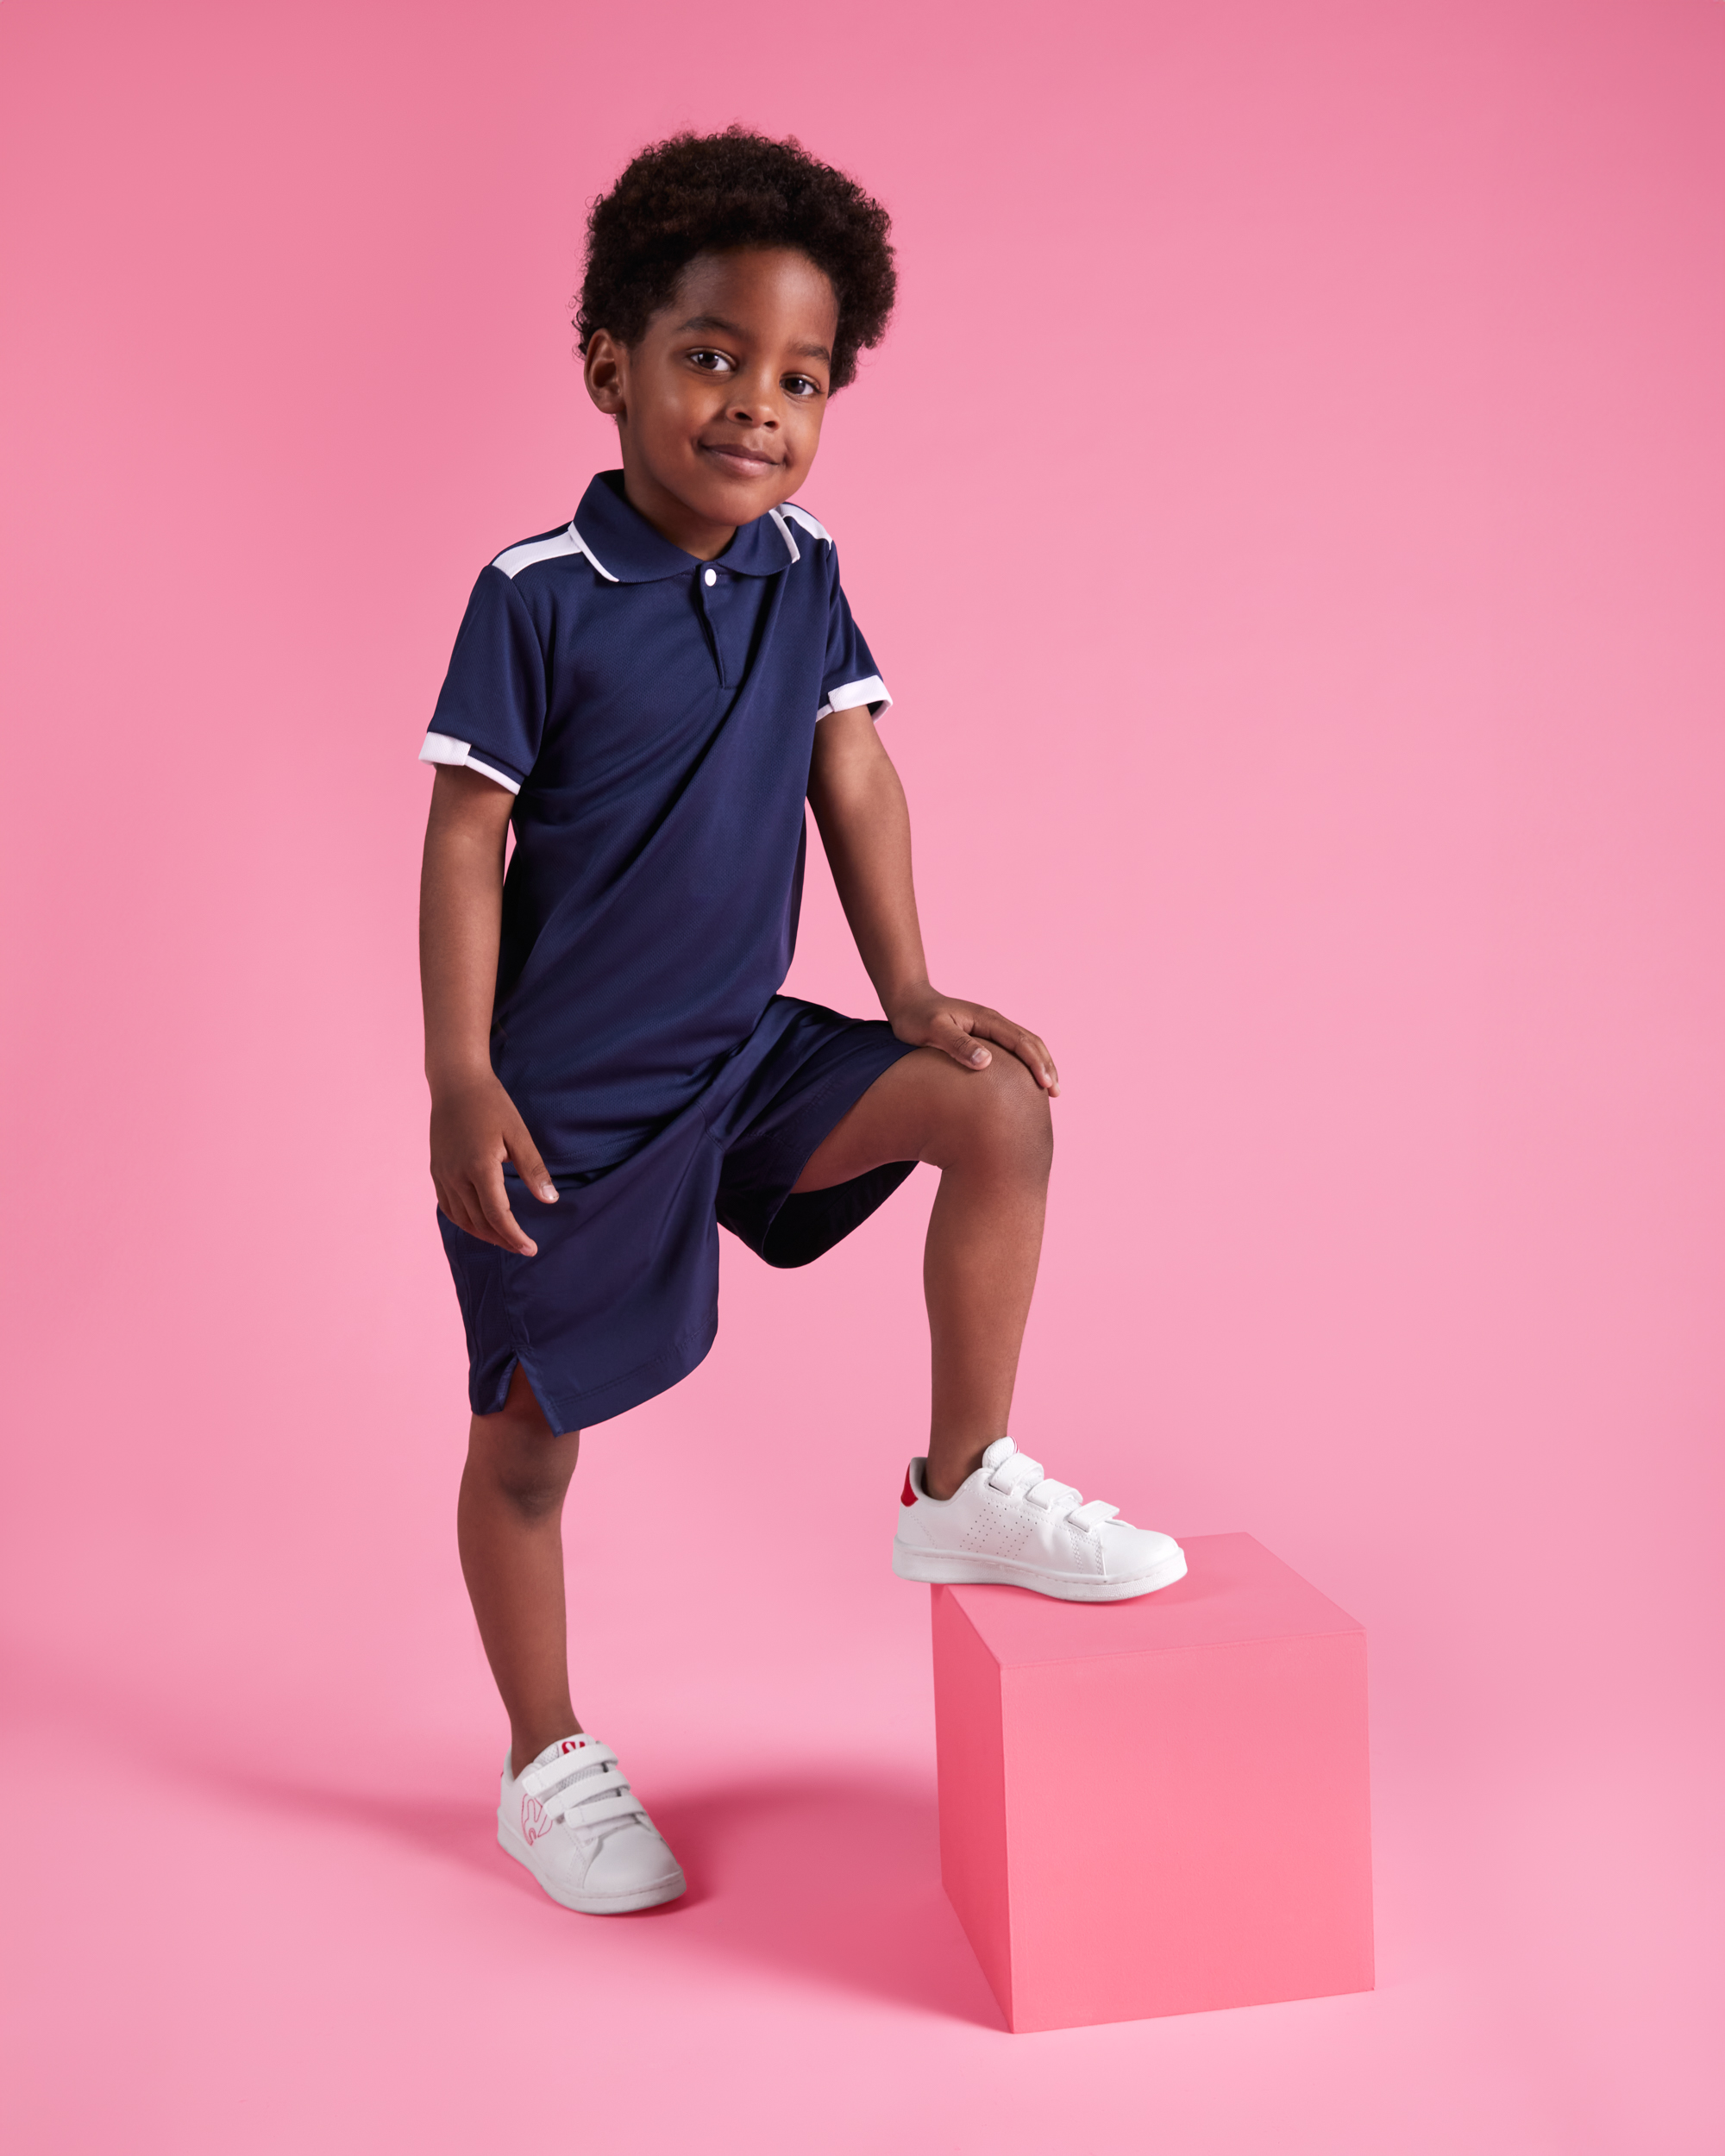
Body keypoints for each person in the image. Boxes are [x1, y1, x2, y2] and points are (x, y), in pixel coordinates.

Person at [417, 128, 1186, 1918]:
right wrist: (458, 1074)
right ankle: (543, 1760)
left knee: (991, 1104)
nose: (755, 406)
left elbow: (855, 769)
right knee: (526, 1446)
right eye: (711, 357)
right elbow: (464, 839)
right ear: (611, 364)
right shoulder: (536, 593)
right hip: (570, 1103)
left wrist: (908, 990)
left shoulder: (804, 563)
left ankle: (962, 1479)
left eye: (801, 378)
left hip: (743, 1054)